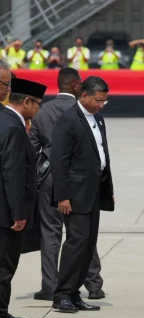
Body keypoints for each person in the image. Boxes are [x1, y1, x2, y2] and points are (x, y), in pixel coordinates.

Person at [29, 68, 106, 301]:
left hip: (50, 177)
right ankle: (93, 283)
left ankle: (50, 284)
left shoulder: (42, 112)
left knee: (51, 233)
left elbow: (32, 148)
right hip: (80, 180)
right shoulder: (85, 112)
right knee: (81, 233)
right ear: (75, 86)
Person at [50, 76, 114, 313]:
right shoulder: (68, 120)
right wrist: (62, 196)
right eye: (98, 100)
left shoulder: (97, 117)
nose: (101, 105)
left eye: (104, 102)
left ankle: (75, 292)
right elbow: (59, 160)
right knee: (76, 242)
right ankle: (62, 294)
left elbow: (101, 155)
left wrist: (108, 189)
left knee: (88, 244)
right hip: (74, 195)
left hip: (94, 191)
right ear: (84, 96)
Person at [0, 77, 47, 318]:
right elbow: (13, 173)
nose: (39, 109)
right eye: (38, 104)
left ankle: (3, 312)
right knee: (4, 267)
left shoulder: (7, 121)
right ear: (26, 102)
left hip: (5, 209)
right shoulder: (13, 127)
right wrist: (19, 213)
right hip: (7, 213)